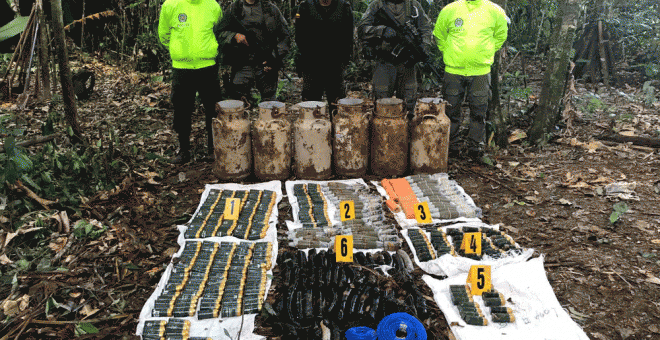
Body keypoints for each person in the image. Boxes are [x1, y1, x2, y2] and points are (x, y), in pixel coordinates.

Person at [433, 0, 508, 159]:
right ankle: (451, 146)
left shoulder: (494, 10)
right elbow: (439, 35)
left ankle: (475, 148)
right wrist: (448, 51)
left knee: (479, 111)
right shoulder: (450, 9)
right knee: (450, 110)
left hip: (481, 72)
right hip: (453, 70)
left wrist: (486, 52)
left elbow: (501, 35)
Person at [158, 0, 223, 164]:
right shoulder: (170, 5)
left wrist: (209, 50)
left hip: (208, 66)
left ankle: (212, 148)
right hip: (182, 68)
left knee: (212, 108)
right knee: (182, 108)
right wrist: (179, 50)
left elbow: (220, 32)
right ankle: (184, 150)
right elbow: (164, 35)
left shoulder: (213, 6)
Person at [357, 0, 433, 113]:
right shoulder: (377, 5)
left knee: (408, 104)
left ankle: (406, 128)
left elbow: (425, 29)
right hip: (384, 62)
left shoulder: (413, 6)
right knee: (381, 105)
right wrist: (382, 30)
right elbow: (362, 29)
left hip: (408, 63)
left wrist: (422, 50)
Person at [216, 0, 290, 103]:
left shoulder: (270, 9)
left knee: (269, 102)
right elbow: (220, 33)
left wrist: (273, 58)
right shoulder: (234, 9)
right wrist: (234, 36)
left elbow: (285, 36)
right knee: (238, 99)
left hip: (266, 62)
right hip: (242, 62)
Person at [294, 0, 354, 108]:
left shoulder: (344, 7)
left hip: (335, 64)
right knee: (311, 104)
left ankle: (336, 124)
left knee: (337, 103)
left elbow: (348, 37)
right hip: (312, 64)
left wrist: (343, 60)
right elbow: (299, 35)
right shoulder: (306, 6)